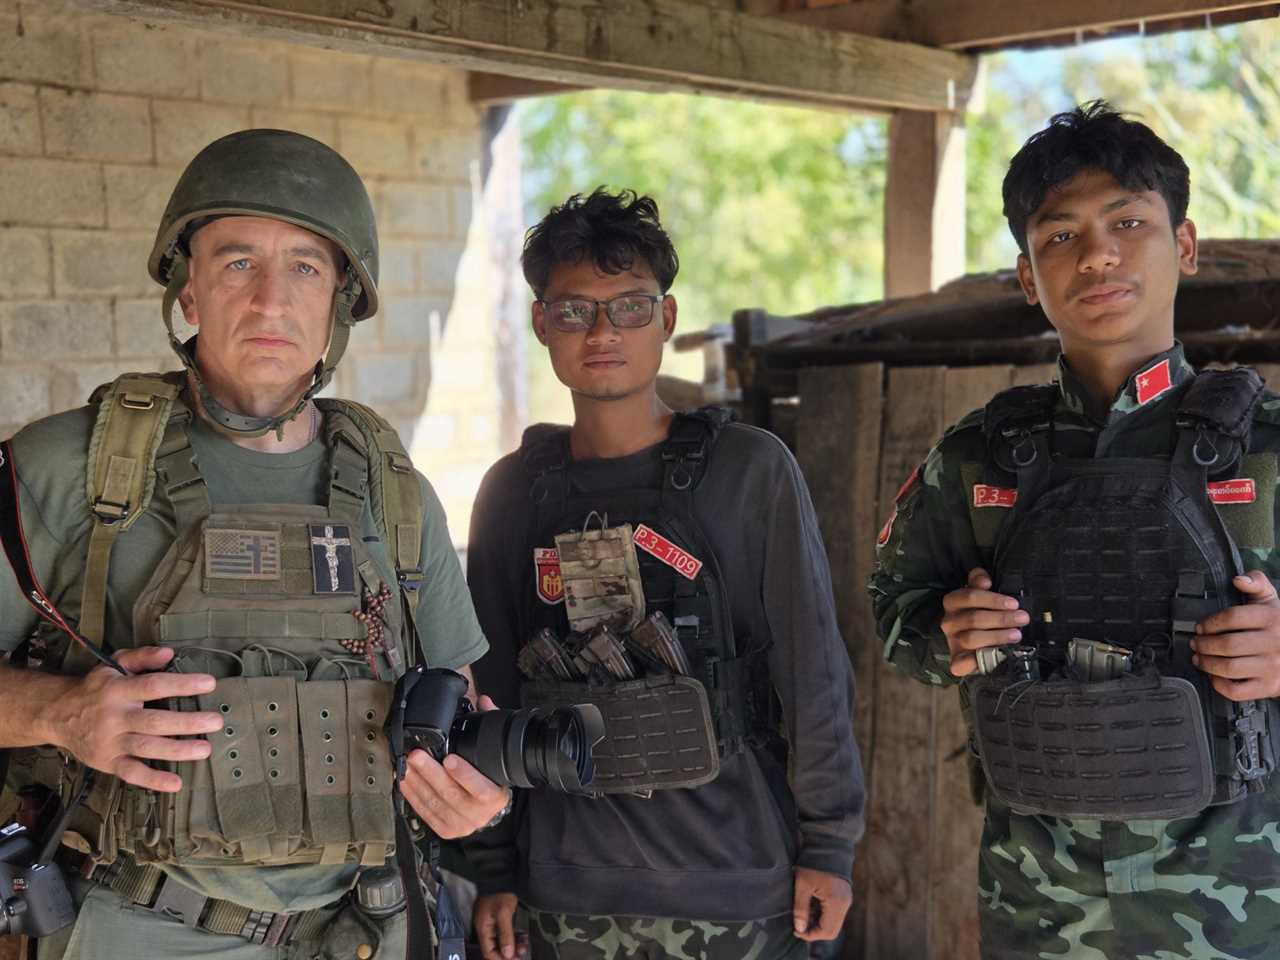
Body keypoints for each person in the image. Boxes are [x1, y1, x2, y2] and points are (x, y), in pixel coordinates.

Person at [0, 129, 509, 960]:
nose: (272, 301)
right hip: (134, 926)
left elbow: (454, 699)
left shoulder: (393, 491)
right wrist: (61, 713)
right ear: (188, 291)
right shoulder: (72, 466)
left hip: (359, 930)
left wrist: (478, 795)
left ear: (341, 301)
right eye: (238, 262)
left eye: (305, 267)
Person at [868, 100, 1280, 958]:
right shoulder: (979, 458)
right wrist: (949, 635)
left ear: (1187, 246)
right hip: (1039, 905)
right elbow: (895, 613)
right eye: (1060, 237)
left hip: (1243, 905)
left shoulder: (1271, 447)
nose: (1097, 255)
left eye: (1129, 222)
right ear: (1027, 276)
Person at [462, 188, 864, 960]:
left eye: (631, 307)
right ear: (543, 323)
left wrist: (831, 846)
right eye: (575, 310)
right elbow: (490, 693)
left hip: (734, 880)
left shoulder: (747, 471)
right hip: (563, 888)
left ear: (669, 320)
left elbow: (812, 669)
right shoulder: (512, 491)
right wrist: (494, 866)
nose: (604, 331)